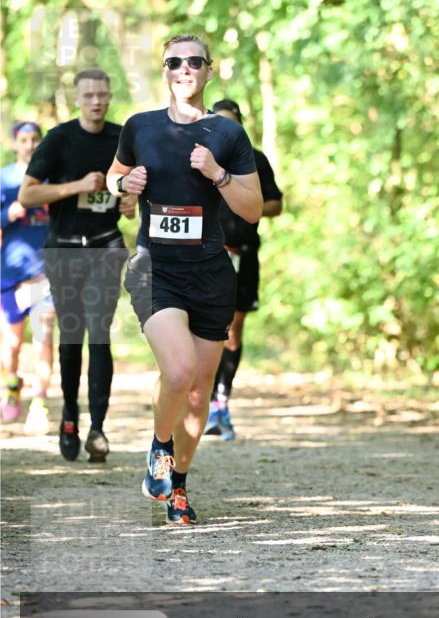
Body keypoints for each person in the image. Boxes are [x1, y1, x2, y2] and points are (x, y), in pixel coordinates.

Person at [106, 34, 262, 525]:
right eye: (175, 61)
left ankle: (178, 488)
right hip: (156, 269)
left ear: (209, 71)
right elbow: (115, 180)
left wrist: (217, 174)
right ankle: (159, 447)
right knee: (177, 372)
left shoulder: (228, 134)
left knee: (198, 391)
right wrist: (122, 185)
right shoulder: (141, 127)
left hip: (212, 275)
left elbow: (253, 209)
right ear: (165, 70)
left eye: (195, 61)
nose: (185, 68)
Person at [19, 69, 132, 463]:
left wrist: (132, 201)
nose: (97, 101)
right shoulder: (60, 138)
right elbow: (28, 193)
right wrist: (77, 186)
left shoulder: (123, 139)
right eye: (89, 95)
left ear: (110, 96)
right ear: (78, 98)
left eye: (102, 94)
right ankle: (70, 415)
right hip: (64, 250)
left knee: (99, 332)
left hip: (105, 247)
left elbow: (137, 191)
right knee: (72, 336)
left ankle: (98, 429)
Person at [204, 98, 283, 440]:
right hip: (207, 254)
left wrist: (244, 200)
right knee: (206, 329)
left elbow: (276, 204)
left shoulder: (255, 159)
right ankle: (204, 405)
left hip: (244, 251)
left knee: (233, 330)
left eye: (231, 122)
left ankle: (222, 402)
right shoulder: (200, 159)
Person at [1, 121, 55, 431]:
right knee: (10, 344)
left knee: (44, 337)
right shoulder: (4, 177)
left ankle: (40, 401)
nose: (30, 144)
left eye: (35, 139)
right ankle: (11, 388)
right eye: (24, 139)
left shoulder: (51, 179)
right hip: (10, 272)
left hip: (44, 273)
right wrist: (10, 212)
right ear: (15, 143)